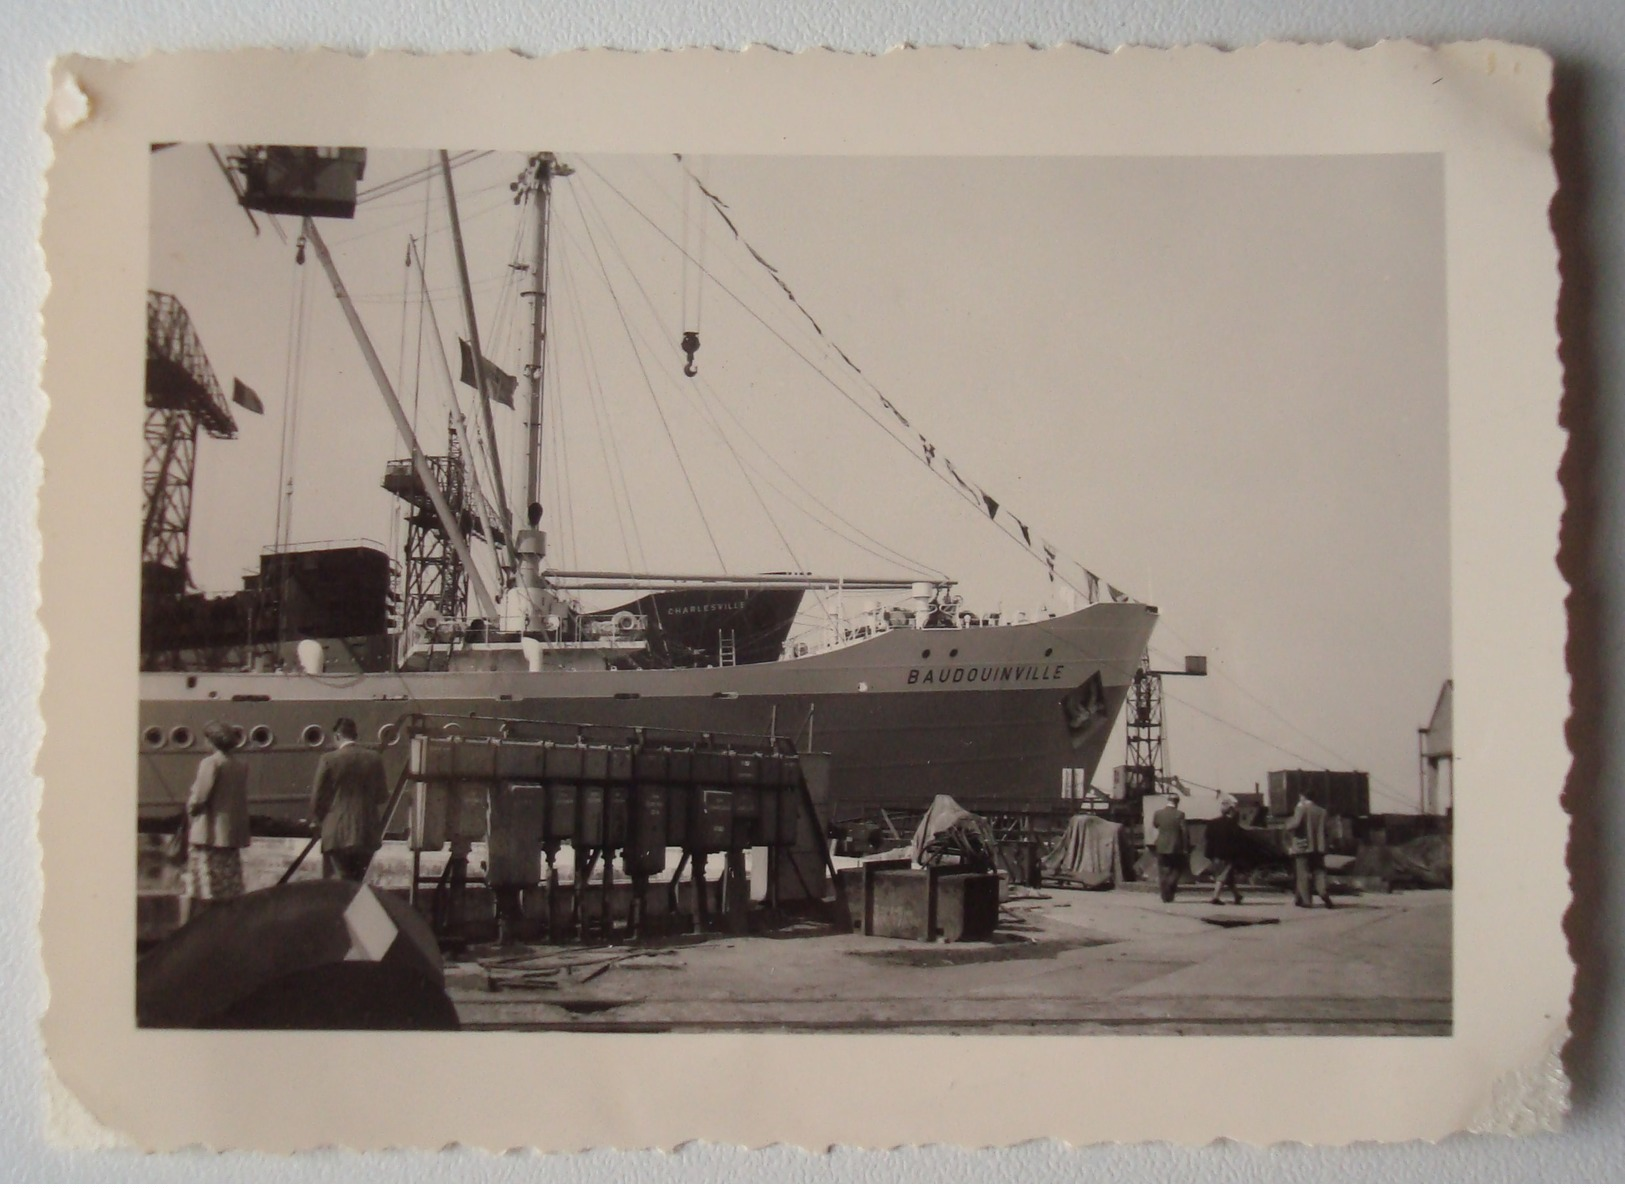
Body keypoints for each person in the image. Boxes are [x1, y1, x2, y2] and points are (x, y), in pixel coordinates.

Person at [183, 721, 252, 922]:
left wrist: (191, 809)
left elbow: (200, 796)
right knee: (228, 886)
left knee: (204, 887)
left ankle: (200, 928)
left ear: (211, 741)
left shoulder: (210, 763)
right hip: (230, 834)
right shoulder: (240, 765)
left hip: (209, 834)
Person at [310, 716, 389, 882]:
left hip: (337, 833)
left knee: (340, 881)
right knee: (357, 881)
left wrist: (317, 820)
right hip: (366, 832)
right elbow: (382, 796)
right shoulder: (374, 758)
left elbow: (318, 798)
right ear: (356, 736)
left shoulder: (328, 759)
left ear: (338, 736)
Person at [1284, 791, 1335, 908]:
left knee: (1303, 873)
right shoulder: (1322, 811)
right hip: (1319, 847)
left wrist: (1288, 823)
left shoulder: (1301, 808)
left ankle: (1307, 901)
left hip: (1303, 846)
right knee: (1319, 871)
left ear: (1303, 797)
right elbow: (1328, 831)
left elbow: (1294, 824)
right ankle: (1323, 892)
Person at [1204, 795, 1246, 906]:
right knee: (1223, 876)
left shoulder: (1212, 823)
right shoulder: (1233, 825)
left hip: (1215, 855)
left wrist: (1209, 854)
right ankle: (1215, 897)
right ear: (1231, 810)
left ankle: (1237, 896)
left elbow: (1208, 839)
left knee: (1228, 876)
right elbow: (1238, 841)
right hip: (1228, 855)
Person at [1151, 792, 1188, 904]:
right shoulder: (1180, 814)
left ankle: (1165, 896)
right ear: (1177, 802)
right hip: (1176, 846)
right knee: (1177, 868)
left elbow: (1156, 825)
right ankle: (1170, 886)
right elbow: (1184, 832)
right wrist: (1186, 847)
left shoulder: (1158, 813)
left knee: (1163, 871)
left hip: (1161, 845)